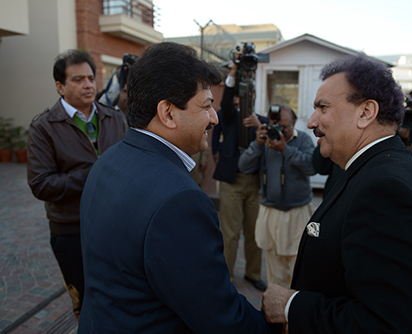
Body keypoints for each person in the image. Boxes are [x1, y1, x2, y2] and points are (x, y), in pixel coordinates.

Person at [78, 42, 281, 333]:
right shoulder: (180, 200)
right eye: (206, 105)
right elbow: (220, 318)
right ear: (168, 113)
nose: (214, 118)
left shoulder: (108, 158)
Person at [261, 54, 412, 333]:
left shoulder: (386, 189)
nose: (312, 122)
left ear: (365, 113)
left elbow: (393, 324)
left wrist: (292, 306)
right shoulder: (378, 168)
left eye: (322, 107)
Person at [26, 50, 127, 320]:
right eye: (78, 79)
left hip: (115, 226)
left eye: (91, 78)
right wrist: (95, 173)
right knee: (85, 303)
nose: (88, 85)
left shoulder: (115, 118)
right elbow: (41, 184)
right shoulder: (43, 127)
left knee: (118, 295)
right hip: (71, 230)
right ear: (60, 86)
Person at [238, 105, 315, 288]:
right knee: (275, 266)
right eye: (275, 124)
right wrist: (257, 144)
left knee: (299, 264)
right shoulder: (264, 141)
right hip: (270, 211)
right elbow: (243, 166)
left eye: (284, 126)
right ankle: (278, 310)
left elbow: (312, 167)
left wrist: (284, 149)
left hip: (297, 211)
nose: (279, 129)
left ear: (294, 124)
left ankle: (295, 307)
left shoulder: (303, 139)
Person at [212, 61, 268, 291]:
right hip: (232, 182)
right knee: (230, 233)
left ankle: (253, 273)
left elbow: (271, 145)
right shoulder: (228, 116)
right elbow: (225, 101)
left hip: (254, 183)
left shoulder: (262, 121)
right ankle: (227, 277)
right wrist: (233, 74)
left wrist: (258, 127)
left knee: (254, 232)